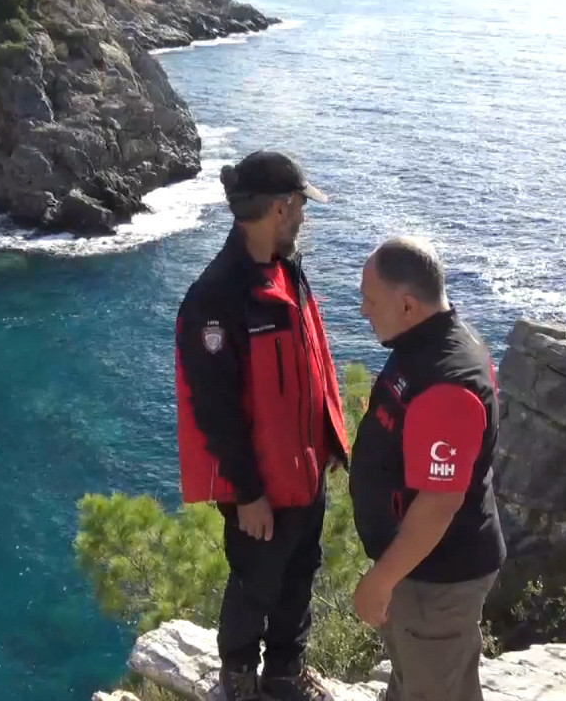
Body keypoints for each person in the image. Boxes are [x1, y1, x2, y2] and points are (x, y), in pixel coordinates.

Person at [173, 150, 351, 701]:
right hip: (262, 487)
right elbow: (215, 408)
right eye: (300, 206)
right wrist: (248, 494)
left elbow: (311, 362)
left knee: (299, 575)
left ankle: (284, 676)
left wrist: (330, 442)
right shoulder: (216, 297)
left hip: (306, 471)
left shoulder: (286, 270)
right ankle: (239, 679)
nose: (303, 216)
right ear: (280, 207)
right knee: (255, 585)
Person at [347, 237, 508, 701]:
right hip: (417, 568)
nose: (362, 310)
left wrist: (381, 580)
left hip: (438, 578)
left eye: (370, 300)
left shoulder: (448, 381)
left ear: (407, 305)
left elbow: (438, 504)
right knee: (413, 679)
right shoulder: (426, 343)